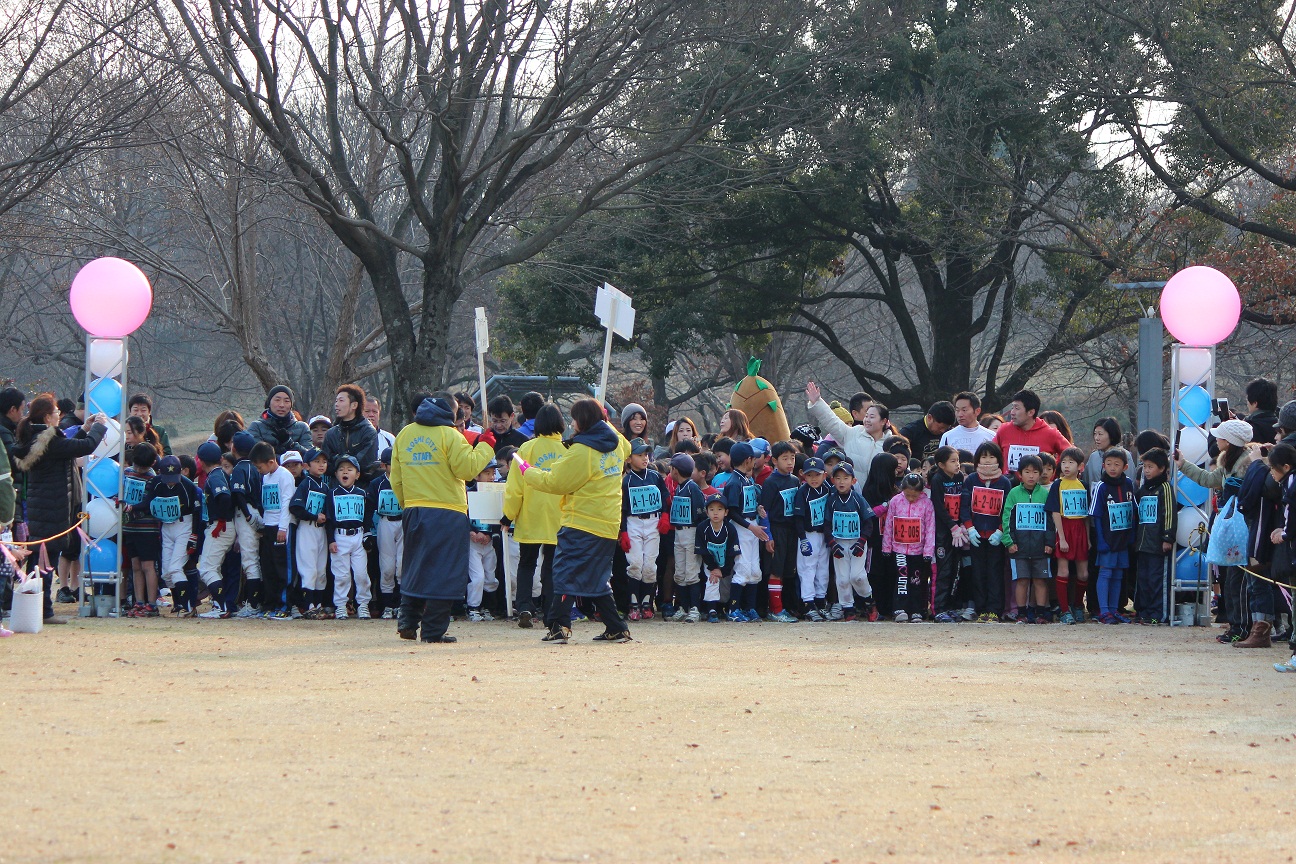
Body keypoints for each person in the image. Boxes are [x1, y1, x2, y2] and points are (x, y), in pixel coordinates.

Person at [513, 397, 632, 643]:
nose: (572, 424)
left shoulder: (582, 451)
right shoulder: (617, 444)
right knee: (596, 577)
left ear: (582, 421)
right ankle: (616, 627)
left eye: (575, 418)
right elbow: (627, 447)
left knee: (565, 573)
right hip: (608, 523)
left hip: (581, 522)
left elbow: (555, 482)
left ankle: (559, 626)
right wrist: (606, 421)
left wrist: (527, 471)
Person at [392, 393, 495, 643]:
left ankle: (407, 619)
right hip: (448, 512)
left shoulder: (405, 434)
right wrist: (486, 445)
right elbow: (468, 469)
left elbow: (396, 477)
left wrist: (409, 505)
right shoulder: (450, 435)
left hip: (415, 510)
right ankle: (433, 630)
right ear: (451, 413)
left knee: (416, 566)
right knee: (445, 571)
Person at [12, 395, 107, 623]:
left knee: (38, 562)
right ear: (47, 417)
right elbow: (83, 447)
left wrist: (85, 427)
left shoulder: (36, 439)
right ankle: (45, 612)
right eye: (55, 412)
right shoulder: (50, 440)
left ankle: (38, 609)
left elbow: (70, 446)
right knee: (45, 563)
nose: (59, 414)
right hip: (52, 508)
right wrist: (99, 428)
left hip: (41, 507)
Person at [1176, 418, 1256, 642]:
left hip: (1242, 528)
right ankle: (1236, 625)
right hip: (1232, 528)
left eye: (1220, 436)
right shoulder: (1229, 463)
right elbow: (1207, 479)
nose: (1216, 439)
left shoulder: (1248, 464)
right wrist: (1183, 464)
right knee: (1232, 579)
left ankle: (1242, 627)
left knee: (1238, 581)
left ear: (1229, 442)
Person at [503, 403, 565, 629]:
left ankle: (525, 606)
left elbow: (515, 487)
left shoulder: (526, 449)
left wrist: (508, 515)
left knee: (527, 564)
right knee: (551, 566)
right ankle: (550, 613)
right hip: (558, 517)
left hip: (530, 514)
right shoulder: (568, 451)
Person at [140, 455, 203, 617]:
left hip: (184, 525)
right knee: (166, 573)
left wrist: (194, 535)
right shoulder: (157, 482)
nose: (170, 482)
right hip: (167, 526)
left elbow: (197, 512)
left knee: (175, 568)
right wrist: (131, 507)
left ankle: (189, 606)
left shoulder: (188, 486)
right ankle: (180, 604)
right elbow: (148, 503)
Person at [959, 442, 1012, 622]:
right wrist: (969, 528)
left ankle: (994, 610)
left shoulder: (1005, 482)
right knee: (978, 573)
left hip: (995, 537)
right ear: (977, 459)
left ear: (998, 459)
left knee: (995, 573)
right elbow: (964, 506)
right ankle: (981, 609)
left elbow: (1007, 510)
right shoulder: (972, 480)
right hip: (976, 535)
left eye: (992, 456)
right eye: (984, 457)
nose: (988, 460)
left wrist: (1000, 531)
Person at [619, 438, 670, 620]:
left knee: (649, 565)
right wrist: (623, 531)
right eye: (639, 455)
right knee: (635, 563)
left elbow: (665, 496)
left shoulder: (655, 476)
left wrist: (665, 515)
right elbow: (622, 509)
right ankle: (633, 604)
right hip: (633, 522)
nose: (644, 458)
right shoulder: (627, 481)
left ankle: (647, 603)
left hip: (652, 522)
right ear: (629, 458)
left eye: (646, 454)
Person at [1001, 454, 1053, 624]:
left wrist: (1049, 542)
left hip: (1040, 547)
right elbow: (1007, 518)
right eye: (1027, 472)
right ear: (1020, 474)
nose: (1031, 476)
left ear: (1041, 474)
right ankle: (1021, 613)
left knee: (1040, 580)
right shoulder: (1014, 494)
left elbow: (1050, 521)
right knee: (1022, 580)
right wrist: (1009, 542)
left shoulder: (1045, 494)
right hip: (1019, 547)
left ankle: (1040, 613)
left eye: (1035, 472)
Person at [1089, 449, 1137, 623]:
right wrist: (1100, 540)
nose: (1112, 468)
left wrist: (1132, 534)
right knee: (1106, 572)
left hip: (1123, 539)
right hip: (1107, 539)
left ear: (1125, 467)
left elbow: (1133, 510)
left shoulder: (1129, 484)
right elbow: (1095, 514)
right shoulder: (1101, 486)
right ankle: (1103, 611)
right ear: (1103, 466)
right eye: (1108, 464)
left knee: (1118, 574)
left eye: (1117, 464)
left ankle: (1114, 609)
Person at [721, 441, 767, 622]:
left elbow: (747, 504)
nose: (754, 461)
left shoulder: (747, 479)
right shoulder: (734, 482)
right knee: (742, 568)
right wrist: (751, 527)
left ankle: (750, 607)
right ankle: (733, 608)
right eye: (753, 458)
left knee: (755, 569)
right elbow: (732, 511)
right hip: (741, 529)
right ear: (747, 460)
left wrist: (758, 510)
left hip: (751, 526)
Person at [825, 462, 876, 620]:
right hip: (839, 541)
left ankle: (869, 601)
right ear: (832, 480)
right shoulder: (832, 500)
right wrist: (832, 544)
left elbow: (868, 522)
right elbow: (827, 524)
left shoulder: (858, 499)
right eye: (838, 478)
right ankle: (848, 607)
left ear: (853, 481)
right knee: (842, 578)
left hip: (856, 541)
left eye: (846, 478)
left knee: (857, 576)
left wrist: (862, 541)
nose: (841, 482)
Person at [883, 471, 936, 622]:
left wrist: (928, 551)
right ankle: (900, 608)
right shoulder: (895, 501)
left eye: (915, 495)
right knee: (901, 578)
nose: (911, 498)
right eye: (908, 495)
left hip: (918, 551)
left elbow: (930, 527)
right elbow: (889, 525)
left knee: (916, 580)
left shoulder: (926, 504)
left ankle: (916, 609)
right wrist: (886, 547)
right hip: (899, 549)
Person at [1046, 446, 1091, 624]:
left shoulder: (1084, 485)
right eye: (1063, 462)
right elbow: (1055, 512)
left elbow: (1086, 515)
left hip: (1080, 529)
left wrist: (1087, 538)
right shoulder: (1058, 484)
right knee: (1063, 570)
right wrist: (1062, 538)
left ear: (1080, 466)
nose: (1066, 466)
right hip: (1064, 529)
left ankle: (1078, 605)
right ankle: (1064, 610)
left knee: (1083, 573)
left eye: (1071, 462)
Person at [253, 441, 297, 619]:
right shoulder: (266, 477)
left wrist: (283, 527)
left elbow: (287, 502)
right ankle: (270, 603)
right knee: (268, 566)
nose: (259, 470)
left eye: (260, 466)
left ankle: (285, 605)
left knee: (282, 567)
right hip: (269, 526)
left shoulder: (284, 476)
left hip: (281, 527)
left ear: (271, 462)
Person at [1133, 448, 1176, 625]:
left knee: (1157, 579)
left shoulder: (1165, 488)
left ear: (1162, 468)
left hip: (1158, 544)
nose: (1147, 470)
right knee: (1143, 579)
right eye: (1145, 467)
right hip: (1143, 543)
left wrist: (1167, 538)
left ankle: (1159, 613)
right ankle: (1144, 611)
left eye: (1151, 467)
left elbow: (1169, 513)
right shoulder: (1143, 490)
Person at [806, 381, 890, 470]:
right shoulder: (853, 434)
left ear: (883, 421)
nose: (867, 420)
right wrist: (817, 403)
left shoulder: (891, 443)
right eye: (866, 416)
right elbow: (832, 422)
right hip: (853, 484)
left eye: (872, 417)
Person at [760, 441, 801, 622]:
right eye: (785, 459)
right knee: (775, 569)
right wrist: (768, 536)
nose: (790, 462)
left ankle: (785, 606)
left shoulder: (794, 480)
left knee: (787, 570)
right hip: (777, 529)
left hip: (791, 529)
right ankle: (775, 610)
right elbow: (764, 511)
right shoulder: (770, 482)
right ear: (774, 461)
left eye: (792, 458)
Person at [326, 455, 370, 620]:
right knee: (341, 575)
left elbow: (366, 517)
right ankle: (340, 605)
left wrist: (367, 535)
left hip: (358, 536)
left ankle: (363, 605)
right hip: (340, 537)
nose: (345, 472)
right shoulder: (332, 493)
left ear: (357, 475)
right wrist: (331, 540)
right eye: (341, 470)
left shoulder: (361, 493)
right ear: (336, 474)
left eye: (349, 469)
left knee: (360, 574)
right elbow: (329, 519)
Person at [288, 448, 331, 619]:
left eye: (324, 462)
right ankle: (307, 606)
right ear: (306, 465)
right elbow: (295, 507)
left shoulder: (325, 486)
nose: (321, 465)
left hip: (321, 531)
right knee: (309, 569)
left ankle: (318, 604)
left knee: (321, 570)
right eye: (317, 461)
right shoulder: (306, 483)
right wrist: (314, 516)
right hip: (307, 528)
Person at [122, 445, 163, 617]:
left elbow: (149, 503)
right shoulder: (127, 473)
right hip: (129, 528)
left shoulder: (154, 479)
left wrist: (131, 507)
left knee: (148, 566)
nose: (139, 470)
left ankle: (152, 603)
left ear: (153, 463)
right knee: (135, 565)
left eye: (143, 467)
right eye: (137, 466)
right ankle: (139, 602)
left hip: (147, 529)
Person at [196, 452, 238, 618]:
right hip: (223, 526)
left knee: (207, 569)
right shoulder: (219, 473)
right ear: (220, 459)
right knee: (214, 569)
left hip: (220, 527)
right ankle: (220, 605)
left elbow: (225, 498)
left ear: (201, 461)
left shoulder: (215, 476)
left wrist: (221, 518)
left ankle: (222, 608)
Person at [928, 446, 968, 622]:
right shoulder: (938, 480)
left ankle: (950, 606)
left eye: (957, 460)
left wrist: (961, 525)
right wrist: (952, 526)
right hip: (942, 532)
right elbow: (939, 507)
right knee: (943, 570)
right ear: (941, 464)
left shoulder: (959, 477)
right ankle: (938, 609)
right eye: (953, 461)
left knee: (955, 569)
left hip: (958, 532)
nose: (957, 465)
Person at [992, 390, 1071, 475]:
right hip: (1010, 486)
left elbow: (1072, 455)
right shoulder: (1004, 430)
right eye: (1012, 408)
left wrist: (1055, 473)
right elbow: (989, 453)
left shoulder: (1050, 433)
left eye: (1017, 408)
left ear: (1031, 412)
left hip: (1040, 487)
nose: (1012, 412)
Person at [667, 453, 705, 622]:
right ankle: (683, 606)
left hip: (691, 531)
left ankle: (695, 608)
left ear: (676, 470)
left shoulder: (692, 487)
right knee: (680, 571)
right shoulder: (680, 487)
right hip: (679, 531)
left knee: (691, 571)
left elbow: (700, 513)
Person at [366, 447, 404, 619]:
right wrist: (367, 531)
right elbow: (368, 508)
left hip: (403, 522)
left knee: (403, 565)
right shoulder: (377, 484)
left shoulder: (407, 481)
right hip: (386, 522)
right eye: (392, 464)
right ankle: (388, 605)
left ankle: (403, 604)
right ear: (384, 465)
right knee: (387, 566)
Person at [793, 456, 832, 621]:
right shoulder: (803, 492)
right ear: (803, 476)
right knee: (808, 569)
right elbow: (798, 517)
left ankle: (820, 602)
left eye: (817, 475)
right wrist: (802, 538)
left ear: (824, 475)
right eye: (809, 475)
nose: (813, 479)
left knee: (823, 569)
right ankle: (808, 604)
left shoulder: (827, 488)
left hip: (824, 535)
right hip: (808, 534)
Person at [697, 493, 742, 623]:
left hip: (726, 564)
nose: (715, 513)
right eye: (711, 509)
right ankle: (711, 610)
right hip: (709, 563)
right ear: (706, 512)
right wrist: (714, 568)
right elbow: (703, 551)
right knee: (712, 581)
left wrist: (724, 570)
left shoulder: (730, 529)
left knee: (726, 587)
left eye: (720, 509)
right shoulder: (703, 528)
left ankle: (724, 608)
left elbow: (732, 552)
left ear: (726, 512)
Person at [466, 462, 501, 621]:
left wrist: (490, 534)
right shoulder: (467, 494)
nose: (491, 477)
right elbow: (462, 516)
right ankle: (473, 607)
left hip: (489, 543)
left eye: (493, 473)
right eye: (487, 473)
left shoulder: (497, 493)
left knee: (490, 577)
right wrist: (471, 532)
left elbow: (500, 517)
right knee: (477, 576)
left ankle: (488, 608)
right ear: (476, 476)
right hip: (473, 543)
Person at [324, 384, 379, 477]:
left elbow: (366, 464)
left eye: (341, 400)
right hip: (335, 488)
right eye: (336, 401)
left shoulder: (368, 432)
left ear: (354, 405)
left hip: (362, 488)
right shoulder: (331, 433)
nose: (336, 404)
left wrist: (338, 459)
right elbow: (326, 463)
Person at [246, 385, 311, 456]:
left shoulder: (302, 427)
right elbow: (257, 455)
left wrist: (289, 443)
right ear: (269, 403)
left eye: (286, 401)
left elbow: (310, 455)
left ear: (291, 405)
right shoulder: (256, 426)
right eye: (277, 400)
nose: (281, 405)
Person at [940, 391, 996, 456]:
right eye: (957, 410)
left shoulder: (991, 436)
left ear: (977, 411)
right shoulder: (948, 437)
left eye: (964, 410)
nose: (960, 414)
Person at [1085, 418, 1135, 485]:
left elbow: (1131, 484)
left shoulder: (1125, 455)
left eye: (1100, 434)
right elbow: (1087, 481)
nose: (1096, 438)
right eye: (1095, 434)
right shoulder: (1093, 457)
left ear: (1111, 435)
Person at [1243, 378, 1279, 447]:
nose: (1247, 404)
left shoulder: (1249, 428)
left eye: (1247, 400)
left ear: (1255, 403)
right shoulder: (1281, 425)